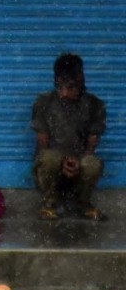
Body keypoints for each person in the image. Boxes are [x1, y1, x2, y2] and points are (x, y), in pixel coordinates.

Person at [30, 53, 106, 220]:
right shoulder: (43, 103)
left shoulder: (94, 105)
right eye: (61, 86)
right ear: (57, 81)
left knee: (92, 163)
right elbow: (43, 145)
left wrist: (78, 162)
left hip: (78, 166)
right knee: (49, 158)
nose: (64, 93)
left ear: (80, 80)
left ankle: (83, 203)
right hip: (53, 169)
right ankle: (49, 203)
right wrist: (63, 162)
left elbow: (91, 145)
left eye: (71, 86)